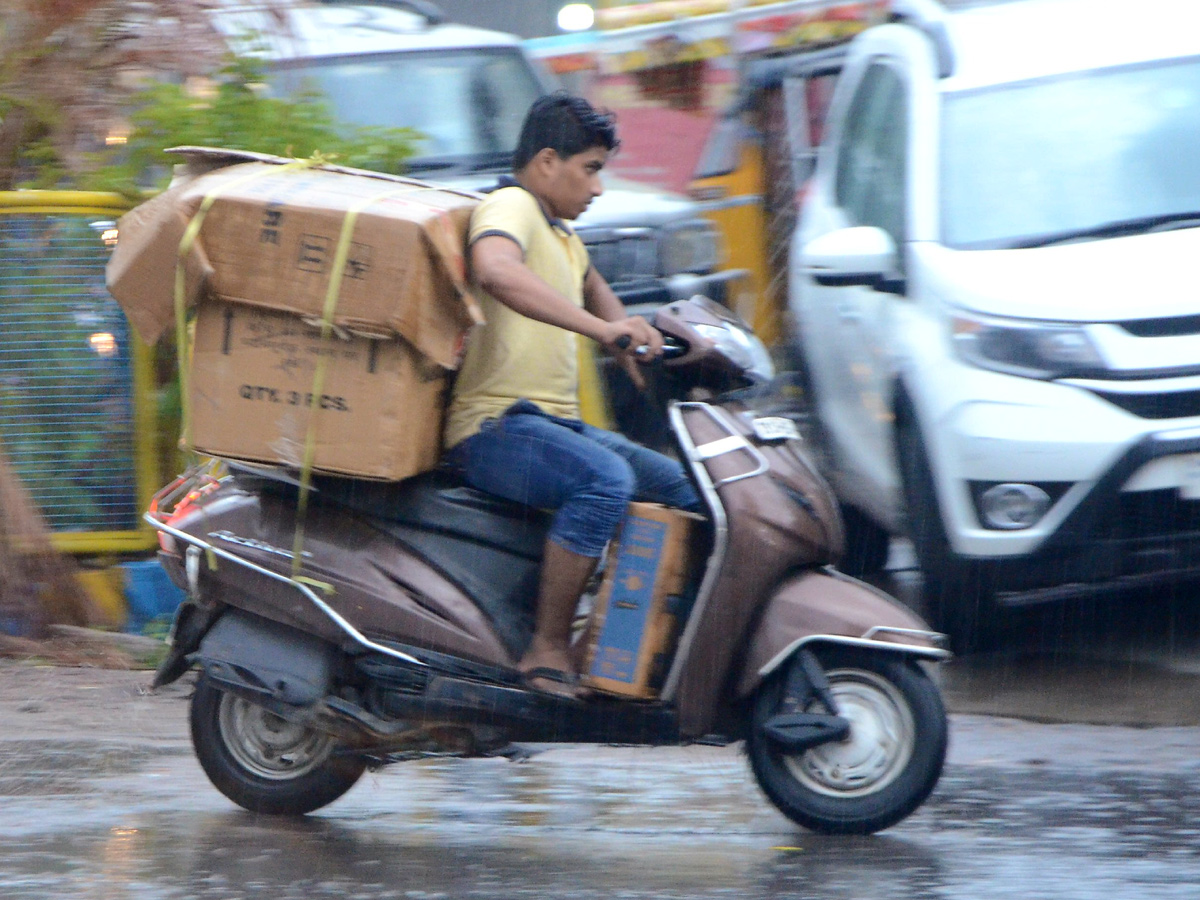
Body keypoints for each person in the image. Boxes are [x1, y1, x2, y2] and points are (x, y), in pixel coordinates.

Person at [443, 92, 702, 700]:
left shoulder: (563, 237)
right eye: (591, 169)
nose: (600, 188)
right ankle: (546, 648)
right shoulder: (509, 207)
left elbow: (593, 288)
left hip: (551, 425)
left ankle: (619, 643)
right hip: (492, 426)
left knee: (684, 490)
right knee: (604, 481)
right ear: (546, 162)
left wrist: (636, 340)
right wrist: (602, 330)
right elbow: (496, 270)